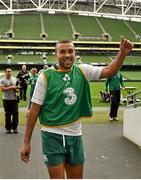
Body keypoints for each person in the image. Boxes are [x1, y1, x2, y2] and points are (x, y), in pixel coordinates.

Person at [20, 38, 133, 179]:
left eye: (70, 51)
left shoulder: (82, 70)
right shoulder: (45, 77)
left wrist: (122, 53)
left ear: (75, 53)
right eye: (62, 51)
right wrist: (26, 143)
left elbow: (109, 71)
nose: (67, 55)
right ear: (56, 54)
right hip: (52, 135)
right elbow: (33, 111)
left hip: (75, 136)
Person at [0, 68, 19, 134]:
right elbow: (2, 89)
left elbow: (17, 88)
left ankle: (14, 128)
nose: (9, 72)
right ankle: (8, 128)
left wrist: (17, 89)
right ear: (5, 72)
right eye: (8, 71)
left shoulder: (15, 79)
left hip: (14, 99)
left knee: (15, 113)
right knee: (7, 114)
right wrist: (11, 87)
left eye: (10, 71)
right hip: (6, 99)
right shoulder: (2, 80)